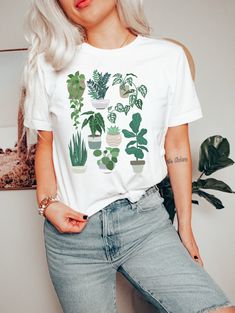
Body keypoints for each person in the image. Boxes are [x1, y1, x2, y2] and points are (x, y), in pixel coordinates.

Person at [20, 0, 235, 312]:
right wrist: (47, 204)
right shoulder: (48, 63)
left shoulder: (167, 58)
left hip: (145, 224)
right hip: (73, 239)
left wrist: (185, 229)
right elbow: (44, 146)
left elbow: (176, 147)